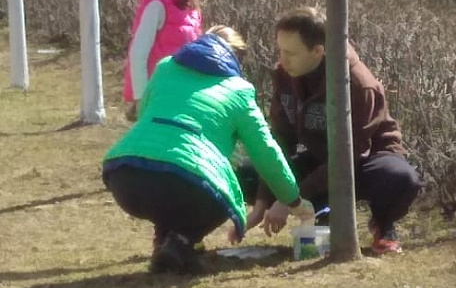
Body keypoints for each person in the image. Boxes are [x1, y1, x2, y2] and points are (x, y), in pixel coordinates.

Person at [104, 26, 316, 274]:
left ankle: (165, 242)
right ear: (236, 58)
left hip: (124, 175)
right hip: (187, 181)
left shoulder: (165, 67)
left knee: (167, 183)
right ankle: (181, 240)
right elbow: (266, 152)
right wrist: (292, 199)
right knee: (221, 187)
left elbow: (144, 114)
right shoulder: (238, 90)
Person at [245, 7, 422, 254]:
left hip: (365, 160)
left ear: (318, 51)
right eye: (280, 51)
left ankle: (383, 225)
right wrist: (263, 202)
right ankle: (323, 213)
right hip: (318, 157)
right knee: (245, 175)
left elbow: (350, 155)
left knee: (400, 179)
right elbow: (280, 140)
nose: (282, 60)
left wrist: (290, 199)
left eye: (291, 53)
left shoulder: (357, 84)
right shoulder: (283, 75)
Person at [122, 0, 217, 122]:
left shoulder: (190, 10)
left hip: (179, 92)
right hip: (156, 94)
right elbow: (138, 53)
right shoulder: (157, 6)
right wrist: (142, 98)